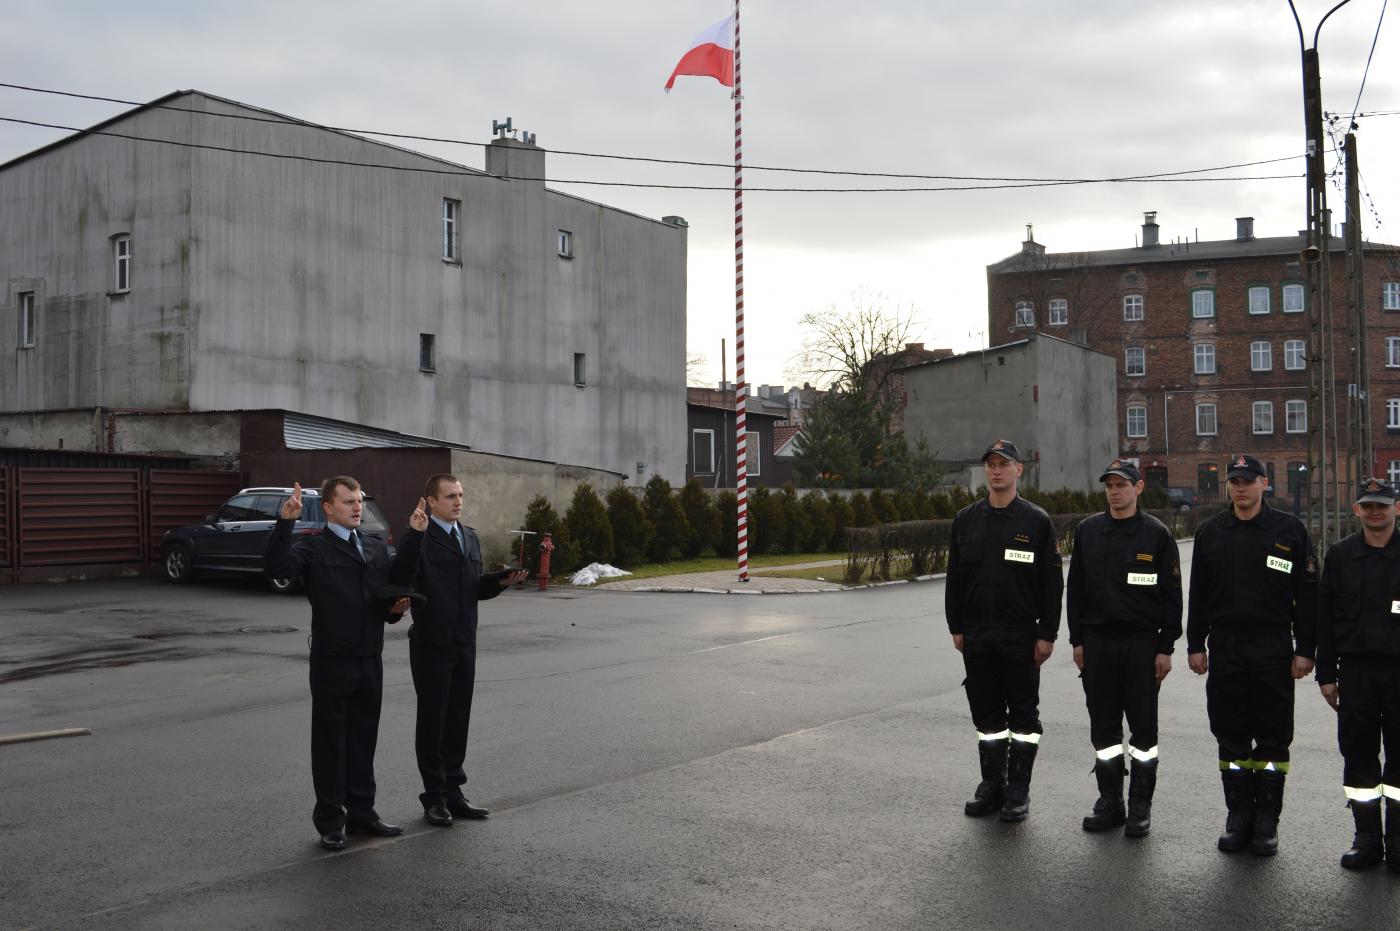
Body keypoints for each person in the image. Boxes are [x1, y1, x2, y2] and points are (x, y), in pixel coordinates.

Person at [264, 477, 418, 851]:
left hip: (370, 656)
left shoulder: (375, 547)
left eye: (360, 501)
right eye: (348, 501)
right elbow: (277, 568)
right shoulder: (313, 548)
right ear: (328, 508)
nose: (357, 507)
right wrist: (285, 523)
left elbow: (385, 598)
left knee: (364, 738)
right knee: (331, 741)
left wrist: (396, 608)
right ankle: (331, 820)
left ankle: (363, 813)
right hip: (332, 660)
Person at [1186, 453, 1317, 857]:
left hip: (1272, 647)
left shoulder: (1289, 531)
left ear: (1265, 483)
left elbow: (1309, 597)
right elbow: (1199, 595)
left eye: (1248, 480)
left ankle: (1266, 823)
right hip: (1226, 647)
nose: (1240, 487)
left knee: (1273, 738)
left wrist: (1305, 649)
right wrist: (1195, 644)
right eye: (1234, 481)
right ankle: (1238, 818)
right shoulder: (1211, 532)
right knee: (1231, 735)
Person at [394, 474, 525, 827]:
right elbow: (401, 576)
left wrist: (500, 582)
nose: (458, 501)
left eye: (460, 495)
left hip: (464, 642)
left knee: (457, 720)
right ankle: (433, 797)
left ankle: (454, 791)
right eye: (450, 496)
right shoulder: (421, 537)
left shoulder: (469, 537)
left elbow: (471, 589)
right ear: (431, 501)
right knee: (433, 722)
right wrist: (414, 535)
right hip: (432, 645)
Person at [946, 439, 1064, 822]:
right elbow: (954, 578)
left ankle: (1018, 790)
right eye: (990, 464)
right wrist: (956, 625)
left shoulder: (1035, 522)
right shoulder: (966, 520)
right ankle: (991, 785)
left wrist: (1048, 633)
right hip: (978, 636)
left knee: (1024, 718)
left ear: (1019, 470)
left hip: (1020, 636)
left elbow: (1051, 583)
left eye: (1003, 464)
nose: (996, 470)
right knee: (987, 717)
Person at [1066, 459, 1182, 838]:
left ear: (1139, 487)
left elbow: (1171, 598)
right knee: (1104, 729)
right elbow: (1076, 591)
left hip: (1141, 645)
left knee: (1144, 732)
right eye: (1110, 485)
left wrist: (1165, 647)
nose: (1115, 491)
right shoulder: (1088, 532)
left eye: (1122, 484)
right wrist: (1077, 640)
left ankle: (1140, 807)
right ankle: (1110, 801)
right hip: (1098, 645)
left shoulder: (1156, 535)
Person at [1316, 478, 1400, 871]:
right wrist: (1326, 674)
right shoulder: (1341, 556)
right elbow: (1326, 621)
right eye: (1368, 506)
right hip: (1356, 674)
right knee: (1359, 757)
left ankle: (1398, 841)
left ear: (1396, 509)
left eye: (1382, 505)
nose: (1375, 512)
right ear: (1357, 510)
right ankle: (1366, 838)